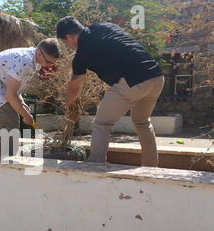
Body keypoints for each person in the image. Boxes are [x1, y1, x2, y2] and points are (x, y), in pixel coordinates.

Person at [56, 17, 165, 167]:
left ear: (70, 36)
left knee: (101, 124)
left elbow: (75, 86)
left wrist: (68, 105)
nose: (68, 46)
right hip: (156, 77)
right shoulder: (104, 26)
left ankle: (96, 166)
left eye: (65, 42)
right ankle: (151, 166)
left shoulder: (81, 55)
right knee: (142, 121)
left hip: (133, 81)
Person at [0, 38, 62, 131]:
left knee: (12, 117)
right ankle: (8, 145)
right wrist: (27, 116)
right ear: (39, 53)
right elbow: (11, 95)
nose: (50, 66)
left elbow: (15, 88)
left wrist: (21, 103)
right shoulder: (25, 61)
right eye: (48, 62)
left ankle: (7, 144)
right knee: (11, 119)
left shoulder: (34, 61)